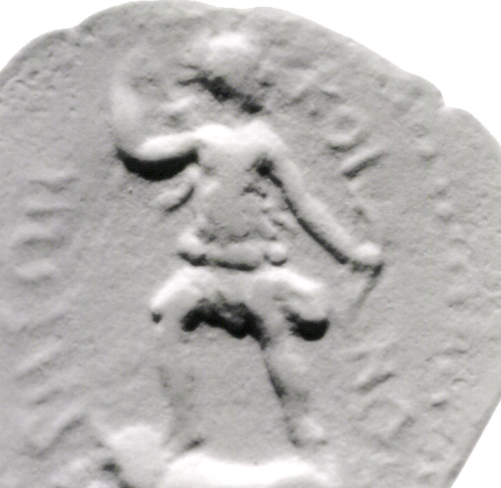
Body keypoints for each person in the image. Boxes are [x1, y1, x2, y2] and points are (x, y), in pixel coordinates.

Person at [112, 32, 382, 452]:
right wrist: (123, 89)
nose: (265, 80)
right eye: (256, 73)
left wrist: (350, 251)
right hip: (206, 268)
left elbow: (304, 204)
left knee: (276, 338)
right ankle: (185, 426)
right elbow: (139, 149)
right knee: (167, 319)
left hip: (252, 271)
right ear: (235, 81)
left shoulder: (264, 143)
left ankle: (300, 421)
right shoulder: (203, 139)